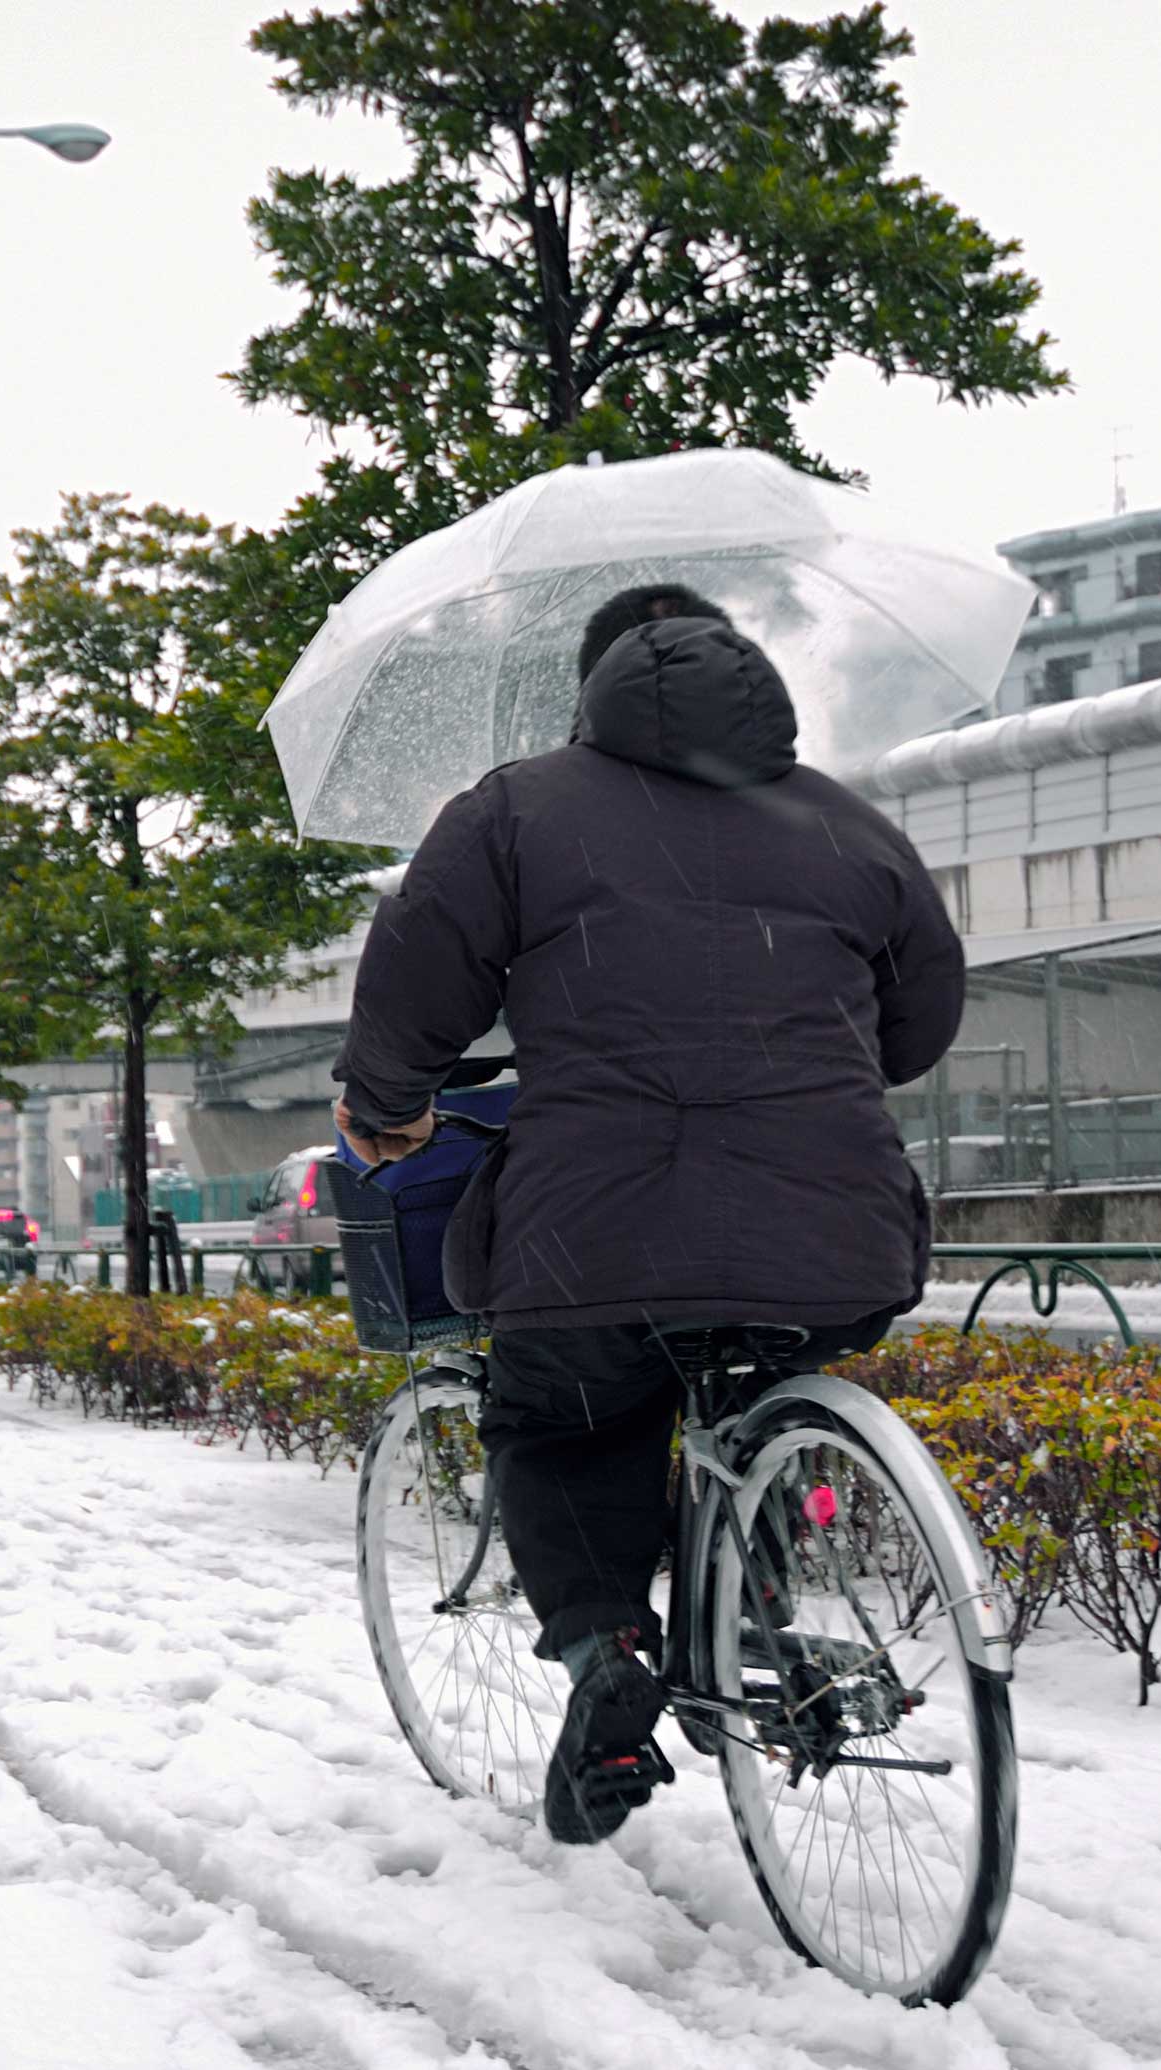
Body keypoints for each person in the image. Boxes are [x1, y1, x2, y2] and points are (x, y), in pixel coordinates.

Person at [331, 584, 965, 1844]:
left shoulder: (516, 810)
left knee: (560, 1418)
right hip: (832, 1229)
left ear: (591, 687)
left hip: (595, 1231)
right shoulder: (850, 827)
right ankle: (747, 1598)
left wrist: (389, 1107)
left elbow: (414, 983)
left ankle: (609, 1643)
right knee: (761, 1385)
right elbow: (919, 1025)